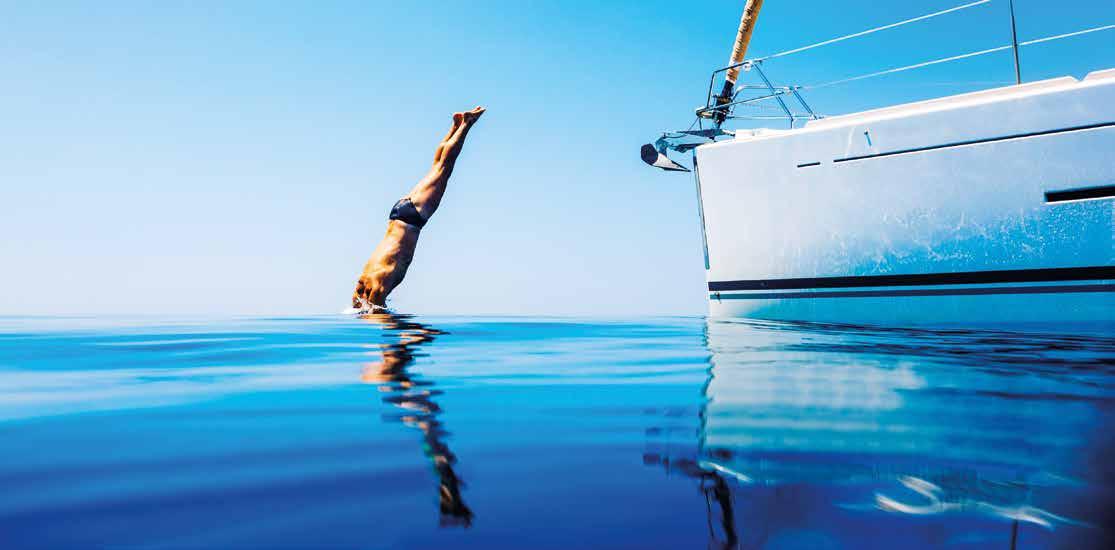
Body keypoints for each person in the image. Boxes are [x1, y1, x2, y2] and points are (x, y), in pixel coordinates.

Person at [352, 106, 486, 311]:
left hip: (412, 219)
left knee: (443, 169)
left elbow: (374, 312)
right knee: (437, 168)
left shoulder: (374, 286)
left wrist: (382, 316)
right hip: (399, 216)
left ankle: (466, 124)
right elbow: (357, 307)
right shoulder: (362, 283)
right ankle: (456, 125)